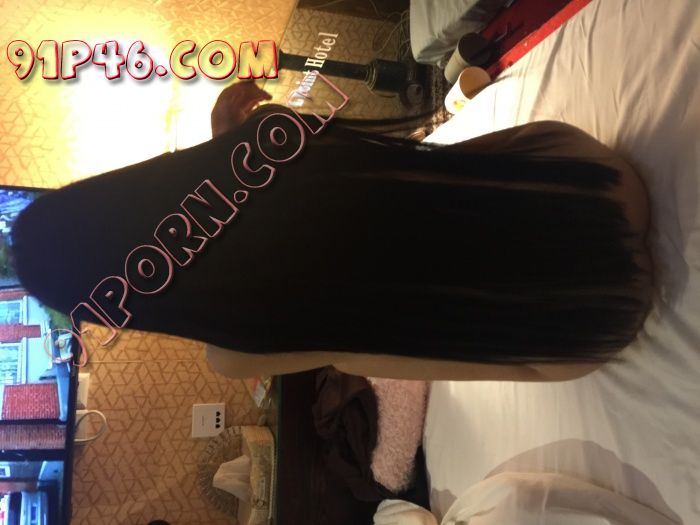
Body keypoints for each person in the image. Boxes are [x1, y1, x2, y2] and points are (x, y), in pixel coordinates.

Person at [12, 82, 652, 381]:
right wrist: (229, 146)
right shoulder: (269, 144)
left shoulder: (235, 352)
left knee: (354, 346)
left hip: (590, 325)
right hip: (595, 183)